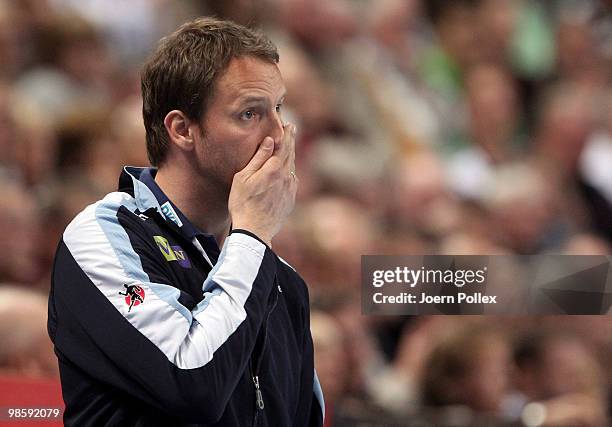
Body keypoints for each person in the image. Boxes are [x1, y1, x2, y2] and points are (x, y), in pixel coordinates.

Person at [47, 17, 324, 426]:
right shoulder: (102, 236)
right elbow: (193, 380)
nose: (279, 135)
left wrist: (251, 242)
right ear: (182, 129)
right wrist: (251, 235)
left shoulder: (281, 280)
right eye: (250, 114)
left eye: (278, 108)